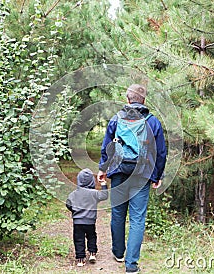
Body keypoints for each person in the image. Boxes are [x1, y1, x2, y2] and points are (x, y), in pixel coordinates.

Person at [97, 84, 167, 273]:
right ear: (143, 101)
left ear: (127, 99)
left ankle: (118, 252)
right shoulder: (152, 122)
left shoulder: (116, 119)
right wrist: (157, 175)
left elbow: (107, 148)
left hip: (119, 171)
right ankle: (131, 265)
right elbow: (160, 152)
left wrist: (103, 168)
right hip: (142, 174)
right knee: (137, 218)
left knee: (118, 213)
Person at [66, 168, 109, 267]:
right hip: (90, 221)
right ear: (92, 181)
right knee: (92, 236)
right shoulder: (94, 193)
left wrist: (75, 211)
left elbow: (68, 204)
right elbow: (104, 195)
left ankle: (80, 259)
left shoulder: (74, 194)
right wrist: (103, 183)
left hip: (78, 222)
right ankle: (92, 253)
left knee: (78, 239)